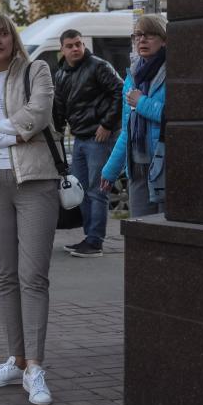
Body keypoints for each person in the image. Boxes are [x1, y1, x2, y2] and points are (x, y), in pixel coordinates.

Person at [0, 11, 59, 405]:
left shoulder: (36, 70)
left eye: (4, 33)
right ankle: (16, 359)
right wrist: (12, 133)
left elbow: (39, 115)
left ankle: (35, 367)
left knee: (32, 276)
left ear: (12, 37)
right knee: (5, 276)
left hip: (35, 181)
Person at [52, 29, 124, 258]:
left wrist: (107, 124)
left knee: (97, 191)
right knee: (81, 191)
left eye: (79, 44)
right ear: (62, 49)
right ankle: (89, 238)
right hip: (80, 138)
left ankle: (95, 241)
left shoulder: (98, 66)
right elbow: (60, 106)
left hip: (100, 137)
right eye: (70, 45)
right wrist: (57, 133)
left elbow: (120, 91)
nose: (76, 48)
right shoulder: (61, 74)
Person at [101, 14, 167, 217]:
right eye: (137, 35)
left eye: (149, 35)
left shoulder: (174, 72)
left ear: (165, 40)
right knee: (140, 232)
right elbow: (126, 129)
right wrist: (111, 169)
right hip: (137, 167)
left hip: (165, 166)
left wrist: (142, 103)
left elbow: (176, 116)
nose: (142, 40)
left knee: (167, 231)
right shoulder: (132, 78)